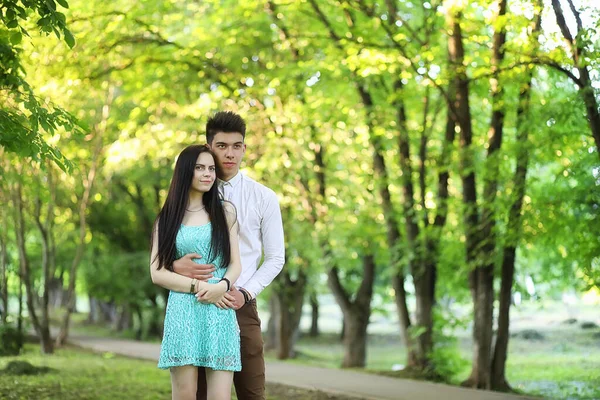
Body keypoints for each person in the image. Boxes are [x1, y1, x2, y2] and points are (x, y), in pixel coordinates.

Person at [173, 111, 285, 400]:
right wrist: (175, 265)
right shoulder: (183, 199)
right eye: (222, 146)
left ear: (245, 148)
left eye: (237, 146)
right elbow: (166, 249)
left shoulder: (263, 197)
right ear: (209, 147)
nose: (230, 153)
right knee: (196, 393)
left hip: (240, 303)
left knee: (252, 392)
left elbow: (275, 258)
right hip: (195, 305)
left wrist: (245, 293)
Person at [150, 144, 242, 400]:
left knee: (220, 397)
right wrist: (201, 288)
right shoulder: (167, 217)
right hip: (183, 311)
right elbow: (157, 272)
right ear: (185, 172)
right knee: (185, 394)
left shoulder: (226, 211)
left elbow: (236, 264)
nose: (207, 174)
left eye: (211, 169)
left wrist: (221, 287)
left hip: (220, 309)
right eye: (200, 168)